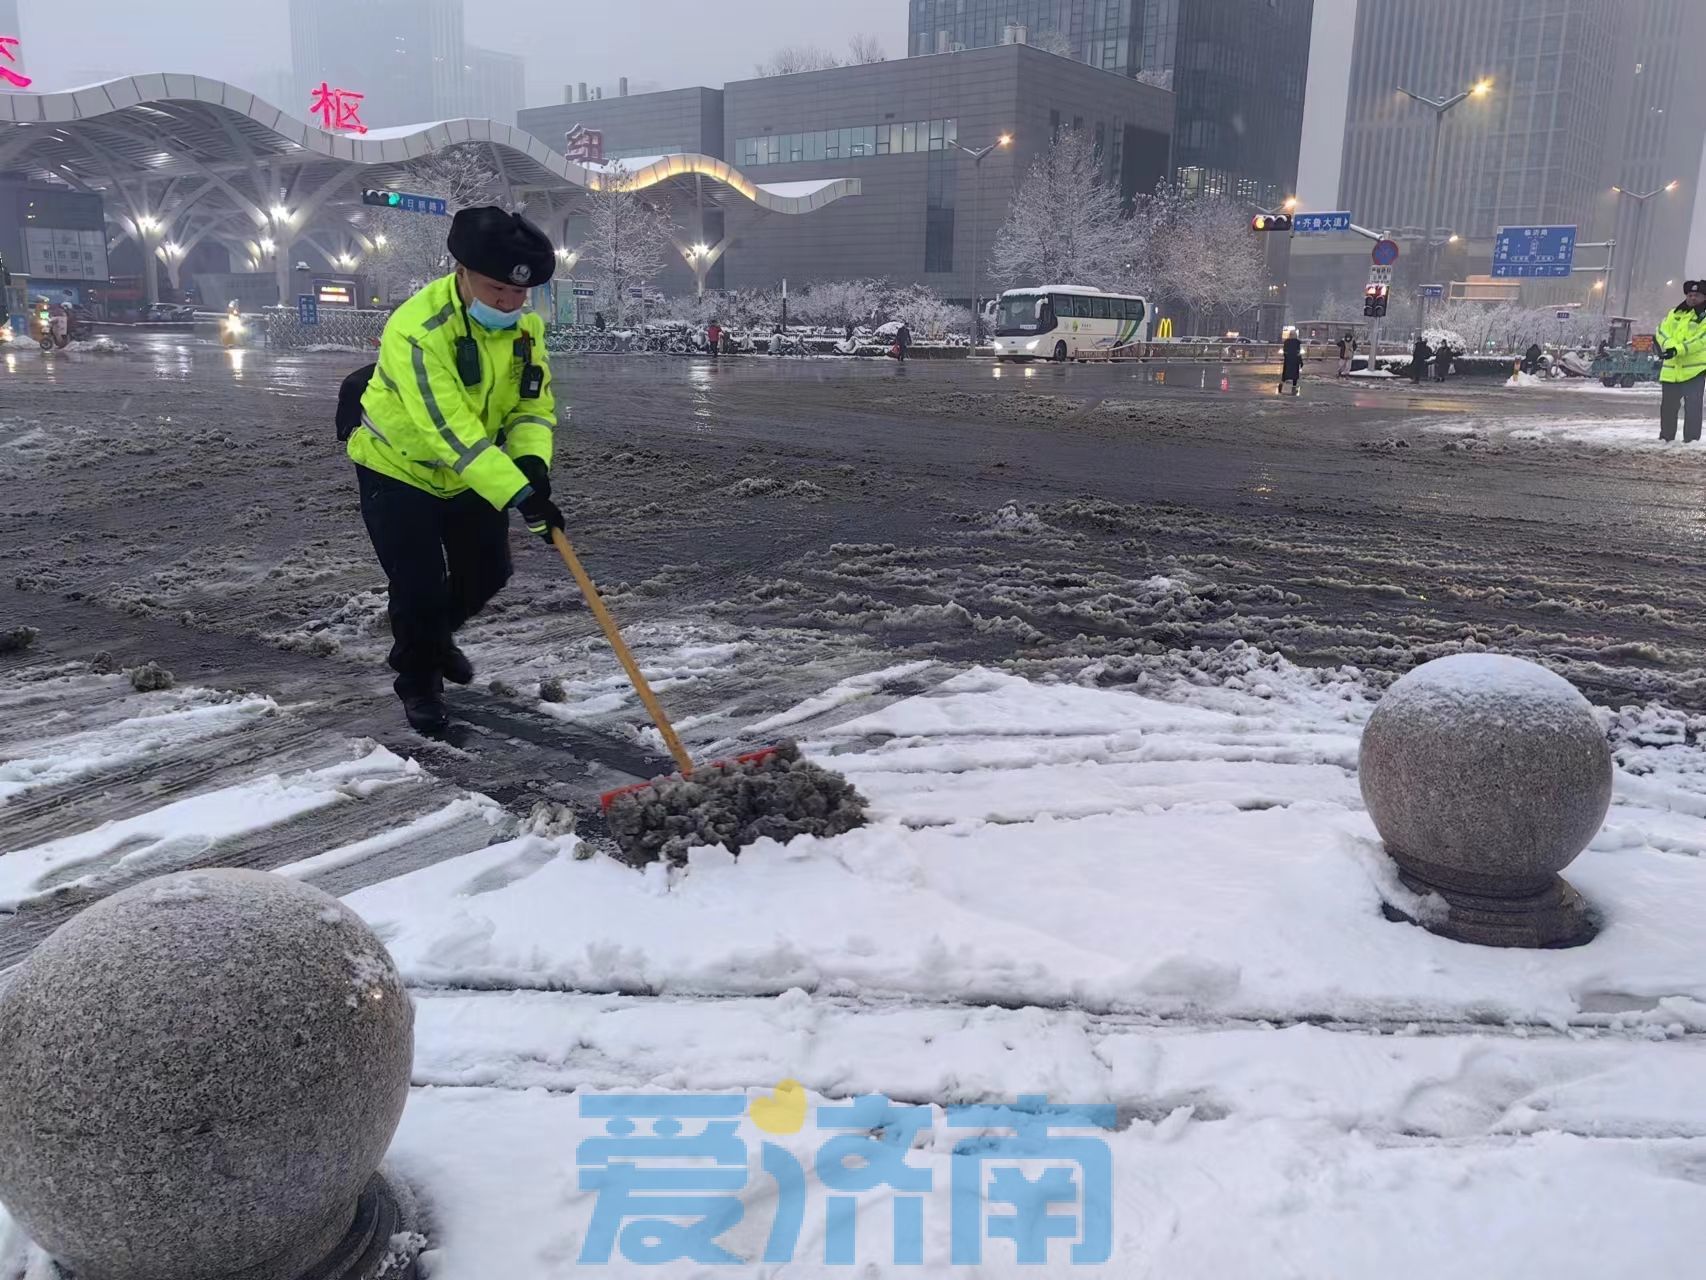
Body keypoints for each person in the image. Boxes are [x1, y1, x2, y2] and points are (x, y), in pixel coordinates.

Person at [347, 206, 564, 734]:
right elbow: (450, 433)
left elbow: (532, 406)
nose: (510, 304)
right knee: (419, 582)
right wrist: (519, 492)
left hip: (473, 471)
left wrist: (532, 463)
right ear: (461, 272)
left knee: (489, 571)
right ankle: (419, 681)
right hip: (400, 468)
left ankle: (431, 642)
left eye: (521, 294)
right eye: (497, 290)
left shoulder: (525, 332)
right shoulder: (418, 331)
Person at [1657, 278, 1706, 443]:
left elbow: (1701, 340)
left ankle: (1691, 440)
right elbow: (1662, 331)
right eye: (1690, 295)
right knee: (1668, 408)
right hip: (1671, 370)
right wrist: (1670, 346)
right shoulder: (1674, 313)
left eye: (1697, 295)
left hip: (1694, 371)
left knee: (1693, 408)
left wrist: (1677, 349)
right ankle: (1666, 438)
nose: (1693, 298)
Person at [1278, 331, 1303, 395]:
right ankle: (1294, 388)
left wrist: (1286, 356)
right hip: (1295, 361)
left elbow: (1285, 352)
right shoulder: (1297, 342)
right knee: (1295, 375)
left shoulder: (1286, 342)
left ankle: (1282, 386)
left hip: (1288, 360)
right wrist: (1300, 361)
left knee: (1286, 373)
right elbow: (1298, 353)